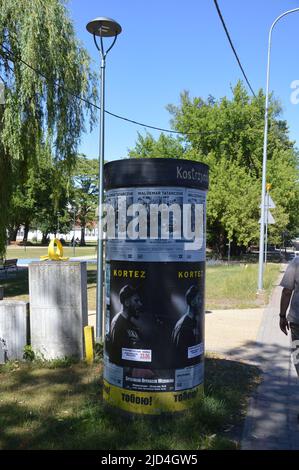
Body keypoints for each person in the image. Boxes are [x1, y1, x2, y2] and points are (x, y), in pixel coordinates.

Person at [107, 285, 145, 364]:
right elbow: (115, 356)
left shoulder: (132, 325)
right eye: (136, 301)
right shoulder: (118, 323)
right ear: (127, 303)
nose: (140, 304)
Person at [171, 285, 203, 366]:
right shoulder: (184, 326)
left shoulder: (193, 321)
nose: (201, 302)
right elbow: (181, 356)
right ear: (192, 302)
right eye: (199, 299)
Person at [279, 256, 299, 382]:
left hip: (297, 321)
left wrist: (282, 316)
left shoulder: (296, 262)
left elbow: (287, 292)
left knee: (298, 355)